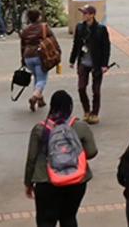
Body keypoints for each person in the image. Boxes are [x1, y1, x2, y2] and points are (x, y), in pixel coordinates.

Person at [27, 91, 101, 227]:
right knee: (68, 218)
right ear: (70, 106)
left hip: (46, 180)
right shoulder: (80, 126)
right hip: (76, 180)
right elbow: (92, 151)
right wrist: (72, 155)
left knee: (46, 220)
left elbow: (31, 159)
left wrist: (28, 183)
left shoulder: (40, 129)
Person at [71, 4, 113, 123]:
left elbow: (106, 47)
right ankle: (86, 110)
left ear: (92, 15)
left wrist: (104, 64)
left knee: (96, 90)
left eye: (86, 13)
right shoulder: (80, 27)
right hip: (83, 61)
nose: (83, 15)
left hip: (96, 63)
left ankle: (95, 113)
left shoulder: (101, 29)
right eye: (83, 13)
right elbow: (76, 44)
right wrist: (72, 60)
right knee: (81, 87)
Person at [21, 9, 56, 112]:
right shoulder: (44, 27)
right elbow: (53, 40)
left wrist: (22, 59)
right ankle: (35, 97)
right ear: (39, 17)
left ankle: (40, 99)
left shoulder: (25, 30)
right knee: (41, 80)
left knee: (37, 77)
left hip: (28, 56)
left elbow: (22, 45)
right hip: (40, 56)